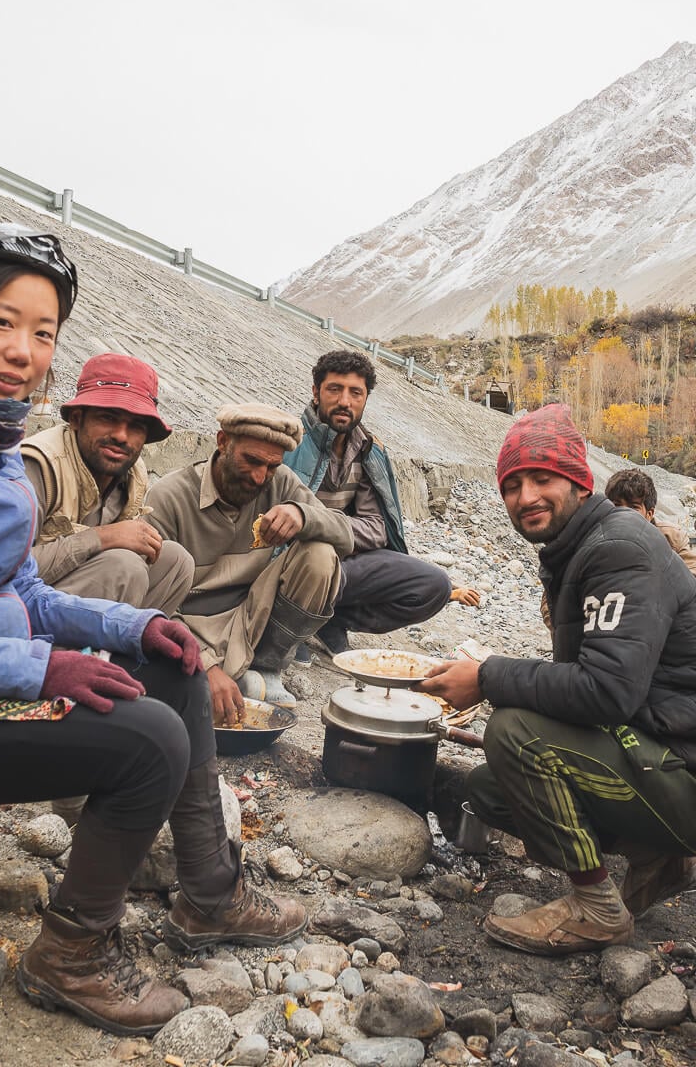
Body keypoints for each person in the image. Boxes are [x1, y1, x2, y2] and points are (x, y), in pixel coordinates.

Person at [0, 221, 305, 1038]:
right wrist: (40, 671)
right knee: (147, 742)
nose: (22, 351)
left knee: (176, 667)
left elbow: (25, 592)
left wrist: (139, 623)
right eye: (0, 322)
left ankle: (209, 893)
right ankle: (73, 954)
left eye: (42, 332)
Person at [422, 404, 696, 956]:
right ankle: (659, 857)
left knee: (513, 730)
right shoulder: (577, 547)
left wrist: (489, 677)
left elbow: (608, 691)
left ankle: (595, 907)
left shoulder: (618, 548)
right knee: (490, 790)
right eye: (512, 485)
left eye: (542, 479)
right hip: (662, 746)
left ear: (578, 481)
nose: (526, 497)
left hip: (683, 764)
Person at [22, 353, 195, 826]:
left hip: (83, 606)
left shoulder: (129, 473)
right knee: (124, 565)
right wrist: (103, 538)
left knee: (175, 561)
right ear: (76, 417)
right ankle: (66, 748)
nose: (122, 436)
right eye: (108, 418)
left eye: (136, 425)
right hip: (22, 622)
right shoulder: (36, 466)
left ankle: (115, 686)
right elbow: (6, 574)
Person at [145, 403, 354, 721]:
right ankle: (223, 675)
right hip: (188, 628)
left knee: (320, 554)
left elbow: (345, 535)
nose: (260, 478)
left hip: (248, 621)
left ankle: (265, 667)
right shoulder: (168, 497)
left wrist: (301, 514)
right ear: (222, 442)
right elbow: (150, 606)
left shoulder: (279, 482)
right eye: (252, 461)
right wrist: (205, 665)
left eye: (271, 466)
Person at [283, 349, 471, 661]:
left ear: (365, 398)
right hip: (293, 568)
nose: (345, 401)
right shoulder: (288, 441)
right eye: (335, 389)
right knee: (314, 559)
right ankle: (293, 623)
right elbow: (277, 525)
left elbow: (377, 529)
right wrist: (327, 533)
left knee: (433, 585)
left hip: (342, 565)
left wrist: (318, 524)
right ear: (316, 392)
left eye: (355, 392)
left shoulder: (369, 452)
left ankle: (331, 620)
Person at [604, 467, 696, 575]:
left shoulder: (672, 538)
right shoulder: (596, 537)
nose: (623, 512)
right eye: (616, 505)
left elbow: (691, 579)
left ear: (649, 514)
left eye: (633, 507)